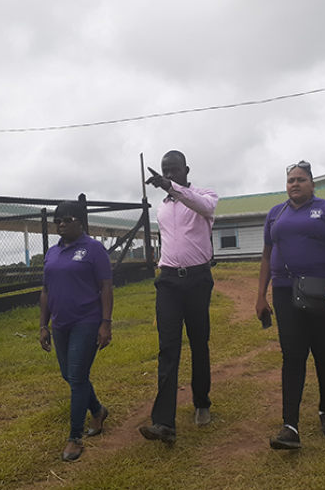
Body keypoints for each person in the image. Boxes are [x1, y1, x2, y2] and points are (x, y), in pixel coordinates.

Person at [256, 160, 325, 450]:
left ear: (312, 184)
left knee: (324, 352)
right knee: (293, 355)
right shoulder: (276, 214)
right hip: (285, 291)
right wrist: (261, 295)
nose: (294, 184)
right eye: (290, 180)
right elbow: (265, 257)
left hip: (321, 290)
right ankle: (290, 427)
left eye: (300, 179)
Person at [140, 150, 218, 443]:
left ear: (187, 169)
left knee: (199, 343)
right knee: (168, 347)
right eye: (165, 171)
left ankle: (201, 403)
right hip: (169, 281)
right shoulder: (162, 207)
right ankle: (164, 424)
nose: (169, 174)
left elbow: (203, 207)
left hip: (198, 280)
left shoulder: (204, 195)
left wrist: (171, 187)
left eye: (174, 170)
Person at [39, 201, 114, 461]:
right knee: (68, 375)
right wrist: (43, 325)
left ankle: (75, 437)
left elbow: (106, 287)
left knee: (78, 377)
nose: (61, 224)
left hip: (87, 320)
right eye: (57, 220)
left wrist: (106, 323)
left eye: (67, 219)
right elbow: (46, 291)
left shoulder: (93, 249)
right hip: (60, 323)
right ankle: (98, 410)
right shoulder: (52, 253)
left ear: (81, 222)